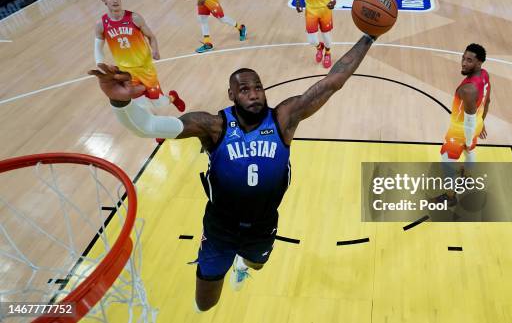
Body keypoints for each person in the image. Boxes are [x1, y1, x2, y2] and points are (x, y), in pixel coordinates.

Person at [88, 33, 378, 311]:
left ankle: (242, 265)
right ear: (231, 95)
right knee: (205, 304)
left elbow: (333, 81)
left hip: (264, 224)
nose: (253, 94)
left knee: (256, 264)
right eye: (244, 89)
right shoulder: (212, 126)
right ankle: (225, 262)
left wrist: (369, 36)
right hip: (219, 230)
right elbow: (149, 127)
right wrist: (120, 102)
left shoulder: (284, 118)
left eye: (258, 87)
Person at [94, 0, 185, 115]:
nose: (115, 1)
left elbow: (151, 36)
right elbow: (98, 46)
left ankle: (172, 98)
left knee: (159, 103)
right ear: (104, 0)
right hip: (126, 72)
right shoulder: (101, 24)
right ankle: (157, 130)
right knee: (141, 104)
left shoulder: (134, 18)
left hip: (145, 68)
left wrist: (155, 50)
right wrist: (100, 64)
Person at [437, 44, 491, 205]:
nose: (464, 63)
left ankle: (450, 196)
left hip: (461, 130)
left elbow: (468, 121)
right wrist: (481, 123)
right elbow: (487, 101)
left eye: (469, 60)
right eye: (463, 58)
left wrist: (467, 140)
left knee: (446, 161)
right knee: (470, 152)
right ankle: (467, 178)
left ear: (479, 63)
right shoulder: (485, 75)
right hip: (476, 123)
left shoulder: (468, 89)